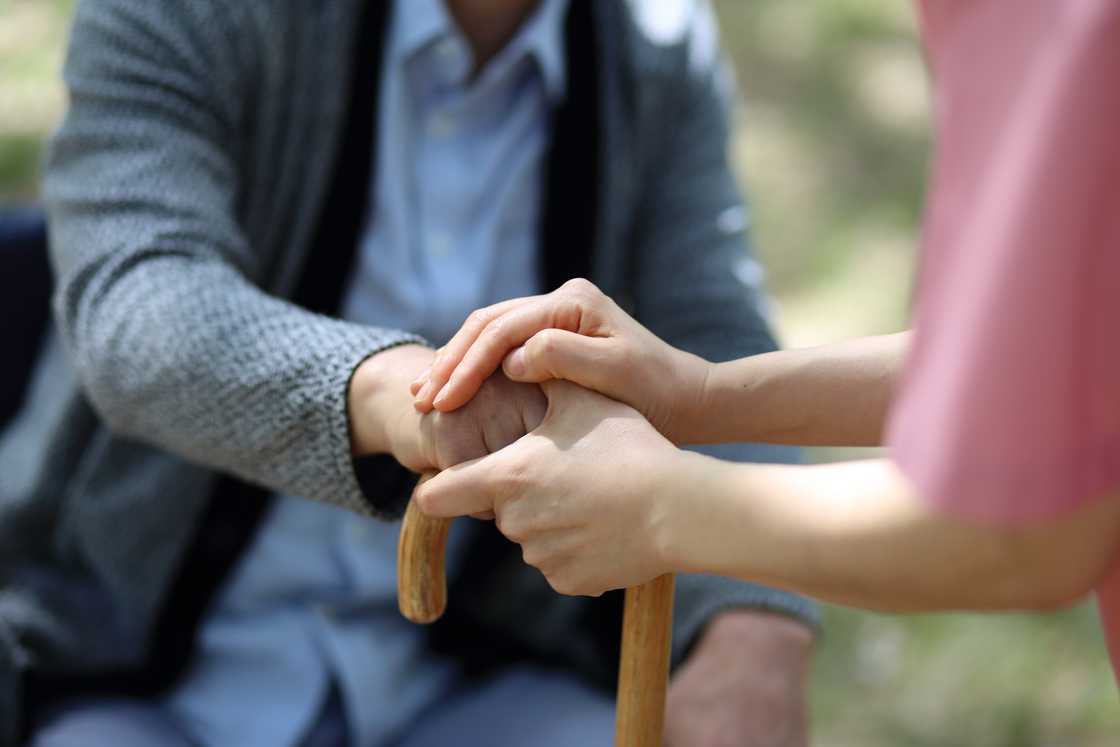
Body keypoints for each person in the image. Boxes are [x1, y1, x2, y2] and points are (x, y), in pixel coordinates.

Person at [3, 1, 821, 745]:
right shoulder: (200, 14)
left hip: (466, 674)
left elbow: (711, 334)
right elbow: (135, 301)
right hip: (133, 672)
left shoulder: (658, 51)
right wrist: (409, 396)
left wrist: (754, 629)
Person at [412, 0, 1120, 684]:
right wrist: (701, 395)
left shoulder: (1061, 29)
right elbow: (1065, 373)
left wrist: (663, 505)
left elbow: (1022, 533)